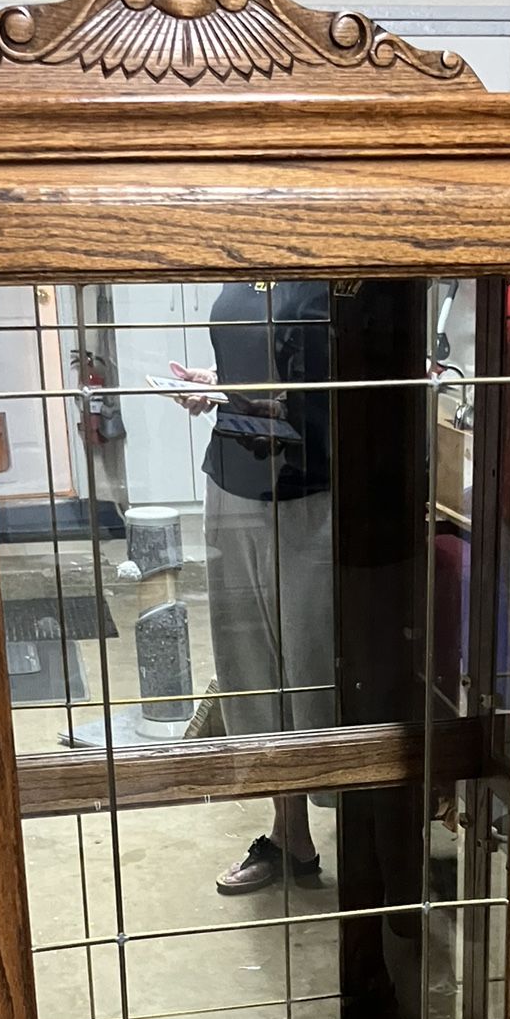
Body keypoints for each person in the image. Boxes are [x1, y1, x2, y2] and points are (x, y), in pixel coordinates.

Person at [170, 281, 335, 896]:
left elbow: (331, 382)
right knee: (251, 668)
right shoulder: (241, 267)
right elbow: (266, 357)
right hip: (233, 480)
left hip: (309, 489)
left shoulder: (327, 268)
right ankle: (288, 833)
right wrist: (217, 380)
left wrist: (237, 395)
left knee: (312, 666)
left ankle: (367, 840)